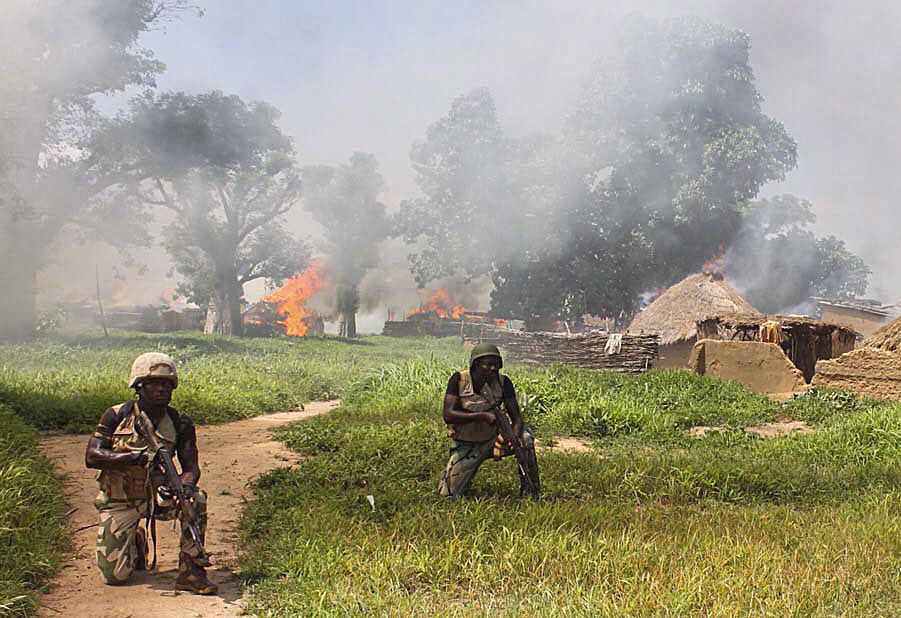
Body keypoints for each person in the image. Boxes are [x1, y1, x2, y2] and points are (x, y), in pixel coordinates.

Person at [84, 352, 217, 595]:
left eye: (167, 384)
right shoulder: (117, 416)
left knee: (196, 499)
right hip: (120, 502)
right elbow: (92, 456)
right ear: (139, 386)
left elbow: (191, 468)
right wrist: (132, 458)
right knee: (114, 576)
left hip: (158, 499)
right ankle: (136, 540)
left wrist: (185, 487)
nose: (161, 390)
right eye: (154, 383)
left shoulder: (180, 423)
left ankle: (191, 571)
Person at [438, 343, 540, 498]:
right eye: (488, 365)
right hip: (468, 444)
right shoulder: (459, 379)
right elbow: (448, 414)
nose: (493, 369)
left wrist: (513, 437)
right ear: (476, 364)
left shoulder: (504, 382)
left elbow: (517, 418)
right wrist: (482, 416)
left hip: (494, 441)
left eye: (497, 365)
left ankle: (531, 492)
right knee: (449, 495)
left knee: (526, 438)